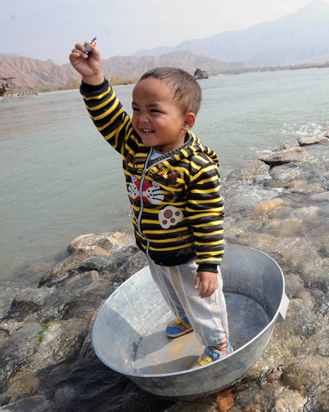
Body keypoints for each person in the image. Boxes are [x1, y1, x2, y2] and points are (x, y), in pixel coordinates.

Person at [69, 40, 231, 368]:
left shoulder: (195, 166)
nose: (141, 119)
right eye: (136, 109)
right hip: (153, 247)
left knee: (203, 300)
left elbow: (209, 217)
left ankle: (219, 342)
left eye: (154, 110)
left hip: (187, 254)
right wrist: (94, 78)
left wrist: (209, 264)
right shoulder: (135, 144)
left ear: (186, 121)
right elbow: (108, 117)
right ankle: (184, 318)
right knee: (169, 292)